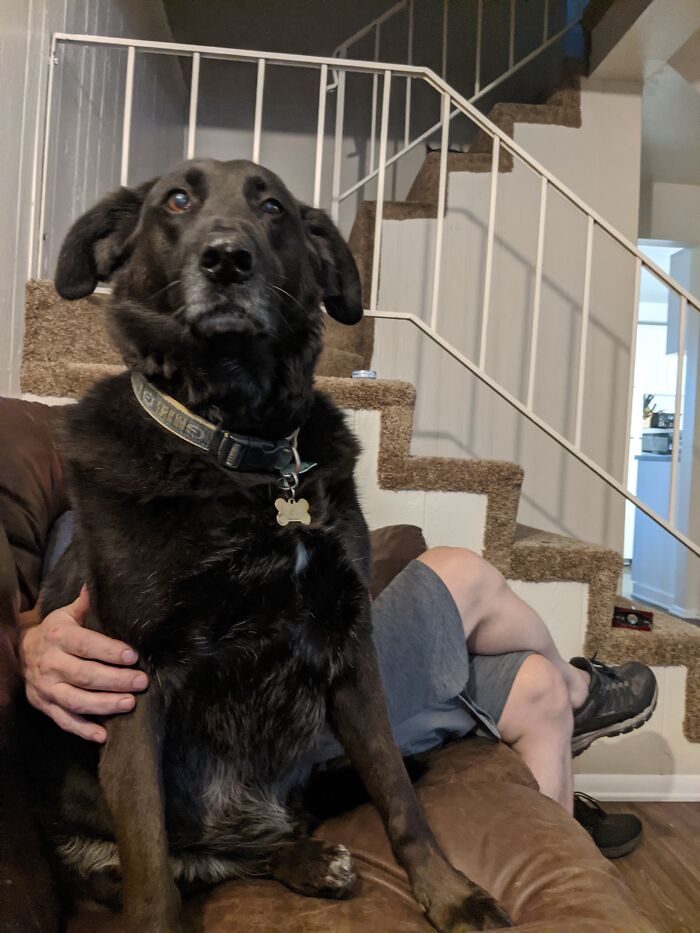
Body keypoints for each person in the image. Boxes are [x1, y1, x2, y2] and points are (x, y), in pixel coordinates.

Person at [18, 538, 655, 859]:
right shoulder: (103, 494)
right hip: (255, 734)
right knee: (462, 571)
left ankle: (565, 832)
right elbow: (55, 608)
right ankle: (584, 687)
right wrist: (32, 639)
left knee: (534, 690)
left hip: (308, 682)